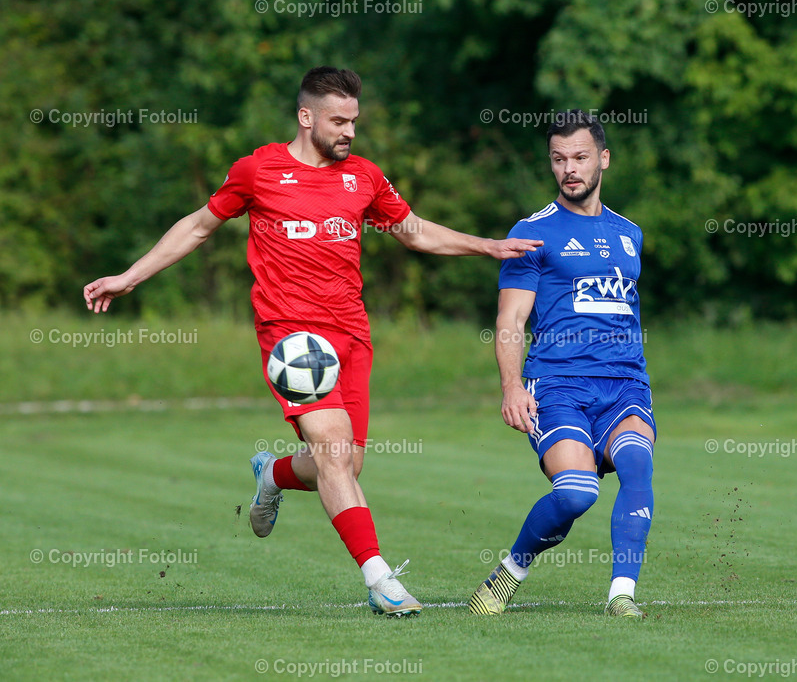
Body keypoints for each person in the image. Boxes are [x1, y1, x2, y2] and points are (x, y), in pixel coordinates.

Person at [83, 66, 541, 618]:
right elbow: (199, 225)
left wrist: (486, 246)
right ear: (306, 117)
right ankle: (380, 580)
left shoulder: (364, 177)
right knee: (332, 452)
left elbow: (413, 230)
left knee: (345, 464)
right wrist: (129, 276)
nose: (349, 131)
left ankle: (272, 473)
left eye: (354, 121)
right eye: (338, 121)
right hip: (291, 336)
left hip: (352, 334)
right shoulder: (258, 170)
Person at [468, 110, 655, 618]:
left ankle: (621, 596)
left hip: (624, 385)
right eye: (558, 159)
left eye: (579, 157)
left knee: (638, 464)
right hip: (557, 385)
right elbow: (510, 319)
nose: (569, 168)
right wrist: (511, 386)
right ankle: (512, 569)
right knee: (576, 493)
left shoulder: (629, 234)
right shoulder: (532, 233)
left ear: (604, 159)